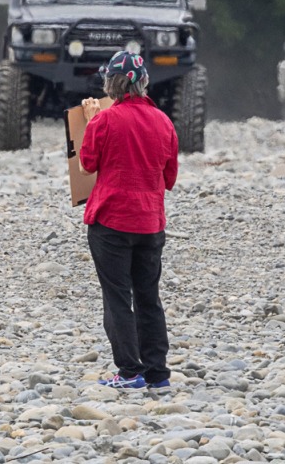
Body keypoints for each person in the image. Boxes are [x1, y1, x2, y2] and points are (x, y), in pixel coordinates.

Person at [79, 51, 179, 390]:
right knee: (149, 297)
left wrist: (91, 121)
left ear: (110, 84)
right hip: (151, 223)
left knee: (118, 297)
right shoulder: (164, 122)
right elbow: (169, 178)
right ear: (143, 83)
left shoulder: (105, 121)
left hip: (111, 221)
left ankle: (129, 371)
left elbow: (87, 165)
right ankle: (158, 374)